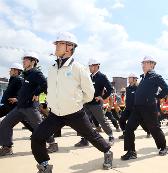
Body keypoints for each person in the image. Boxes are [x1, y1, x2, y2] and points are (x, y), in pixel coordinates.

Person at [31, 32, 113, 173]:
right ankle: (44, 165)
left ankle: (107, 152)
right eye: (56, 43)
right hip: (55, 114)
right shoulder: (51, 68)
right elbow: (51, 89)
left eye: (59, 43)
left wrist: (76, 102)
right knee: (37, 137)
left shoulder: (78, 68)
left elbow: (90, 92)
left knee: (92, 136)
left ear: (69, 47)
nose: (56, 46)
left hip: (75, 113)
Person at [0, 52, 57, 156]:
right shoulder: (26, 74)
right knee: (5, 123)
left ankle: (53, 144)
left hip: (30, 107)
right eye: (23, 60)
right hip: (20, 107)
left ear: (33, 62)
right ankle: (7, 147)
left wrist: (38, 94)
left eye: (26, 60)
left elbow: (45, 84)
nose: (24, 62)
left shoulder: (36, 73)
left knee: (40, 127)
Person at [121, 56, 168, 160]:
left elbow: (166, 89)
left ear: (152, 64)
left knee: (154, 128)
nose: (144, 65)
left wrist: (156, 97)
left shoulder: (155, 76)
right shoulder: (143, 78)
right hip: (137, 108)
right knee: (129, 127)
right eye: (143, 63)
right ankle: (131, 152)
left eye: (146, 63)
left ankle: (163, 147)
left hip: (149, 107)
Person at [74, 58, 115, 147]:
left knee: (102, 121)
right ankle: (84, 139)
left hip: (96, 104)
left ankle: (111, 136)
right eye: (89, 66)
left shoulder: (102, 76)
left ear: (96, 66)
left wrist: (102, 97)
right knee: (84, 121)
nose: (89, 67)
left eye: (91, 66)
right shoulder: (89, 76)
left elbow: (110, 89)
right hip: (86, 103)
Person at [0, 63, 33, 131]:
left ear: (16, 71)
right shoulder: (13, 79)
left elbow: (24, 91)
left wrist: (17, 98)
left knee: (25, 121)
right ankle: (38, 133)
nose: (10, 71)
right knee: (24, 121)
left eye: (11, 70)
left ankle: (39, 134)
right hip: (9, 104)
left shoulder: (19, 80)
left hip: (14, 105)